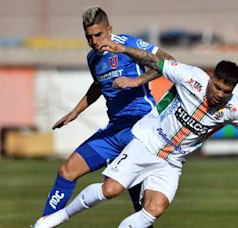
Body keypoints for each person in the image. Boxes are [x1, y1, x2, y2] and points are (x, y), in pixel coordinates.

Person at [33, 38, 238, 228]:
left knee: (154, 209)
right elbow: (154, 59)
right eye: (218, 87)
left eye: (226, 91)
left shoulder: (232, 109)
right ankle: (60, 217)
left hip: (172, 162)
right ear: (211, 78)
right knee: (111, 190)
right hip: (147, 142)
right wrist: (119, 49)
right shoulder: (190, 76)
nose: (220, 94)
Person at [37, 5, 174, 220]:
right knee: (67, 171)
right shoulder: (93, 58)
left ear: (110, 29)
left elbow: (168, 62)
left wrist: (137, 80)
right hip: (114, 131)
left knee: (139, 200)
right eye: (89, 37)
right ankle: (45, 223)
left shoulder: (128, 44)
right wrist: (75, 112)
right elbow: (98, 85)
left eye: (98, 35)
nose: (94, 41)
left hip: (139, 128)